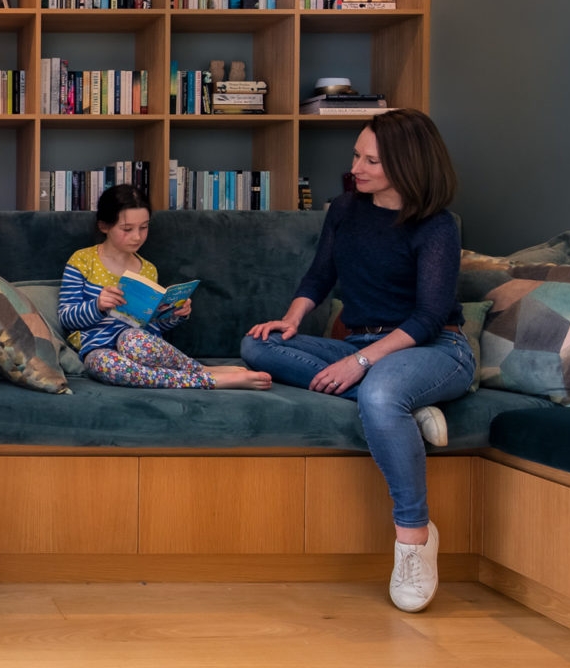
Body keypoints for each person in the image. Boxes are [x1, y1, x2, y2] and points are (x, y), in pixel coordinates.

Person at [241, 108, 475, 613]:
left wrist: (363, 364)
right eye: (356, 155)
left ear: (408, 165)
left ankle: (414, 540)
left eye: (371, 160)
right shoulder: (345, 209)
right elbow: (319, 275)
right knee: (256, 347)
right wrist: (291, 319)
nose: (357, 167)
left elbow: (429, 317)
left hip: (434, 349)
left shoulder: (436, 226)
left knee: (380, 390)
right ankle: (406, 412)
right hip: (361, 346)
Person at [59, 184, 273, 390]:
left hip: (138, 342)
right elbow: (66, 319)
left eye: (144, 228)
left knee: (133, 340)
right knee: (106, 366)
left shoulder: (147, 269)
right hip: (99, 347)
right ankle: (209, 377)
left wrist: (174, 314)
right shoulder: (83, 260)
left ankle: (202, 371)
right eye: (127, 229)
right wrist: (97, 305)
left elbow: (151, 325)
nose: (137, 236)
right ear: (104, 226)